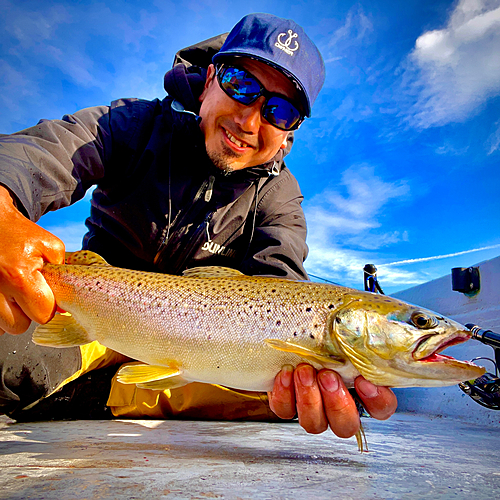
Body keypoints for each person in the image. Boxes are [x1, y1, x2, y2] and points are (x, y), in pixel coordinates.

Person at [0, 13, 396, 439]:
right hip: (94, 317)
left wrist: (309, 379)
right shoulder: (130, 125)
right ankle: (102, 392)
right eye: (241, 85)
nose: (249, 122)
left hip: (206, 351)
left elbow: (282, 283)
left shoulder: (280, 196)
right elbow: (39, 154)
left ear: (290, 134)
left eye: (279, 111)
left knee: (313, 391)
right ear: (209, 80)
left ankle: (91, 396)